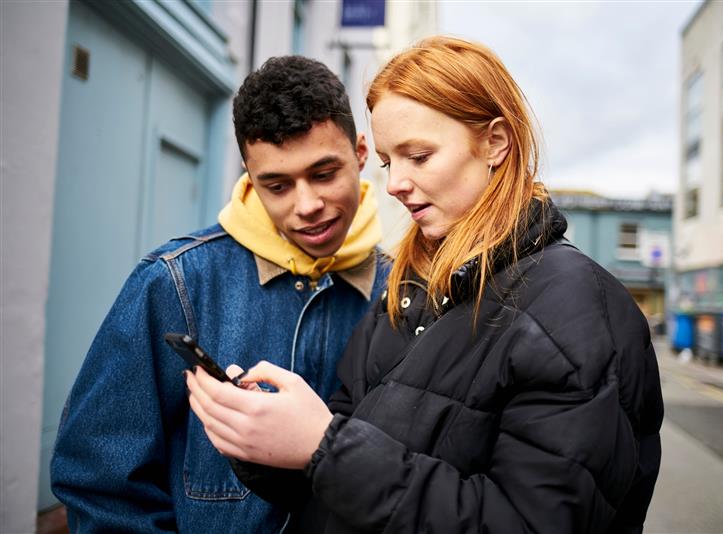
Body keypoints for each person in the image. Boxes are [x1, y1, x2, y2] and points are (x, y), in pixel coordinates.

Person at [186, 36, 664, 533]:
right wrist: (269, 439)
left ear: (495, 143)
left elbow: (528, 521)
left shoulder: (577, 307)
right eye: (388, 162)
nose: (393, 183)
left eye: (418, 156)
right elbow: (342, 482)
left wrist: (325, 445)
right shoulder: (410, 285)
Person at [50, 56, 388, 532]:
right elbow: (100, 480)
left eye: (324, 173)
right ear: (249, 177)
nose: (308, 205)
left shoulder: (403, 292)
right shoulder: (175, 282)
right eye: (277, 185)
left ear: (360, 152)